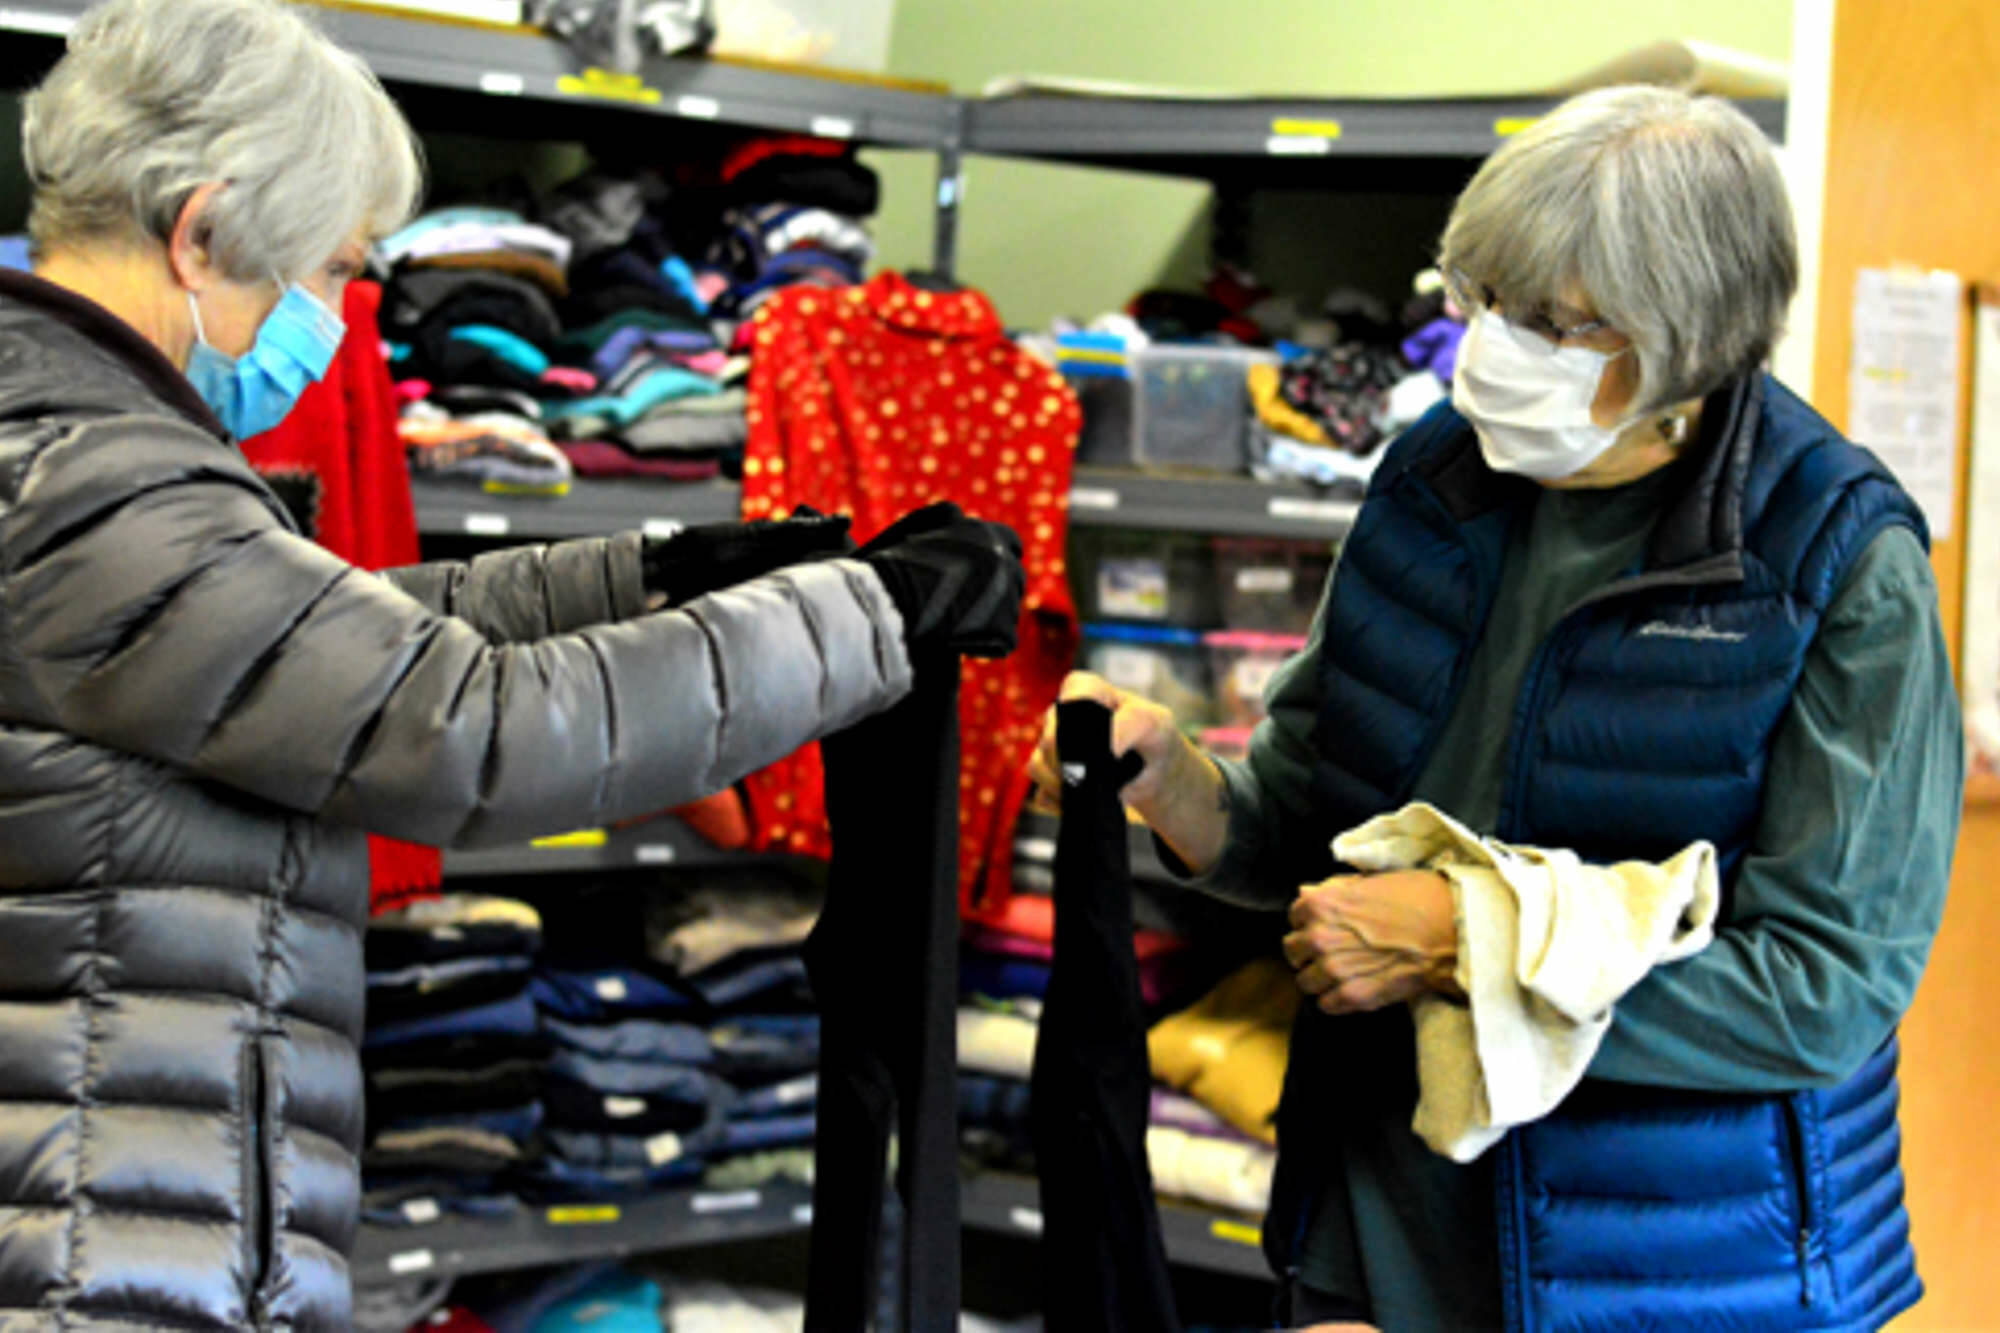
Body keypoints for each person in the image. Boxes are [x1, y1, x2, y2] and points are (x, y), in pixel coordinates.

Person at [0, 1, 1024, 1328]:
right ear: (203, 232)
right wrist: (872, 616)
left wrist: (658, 573)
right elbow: (471, 730)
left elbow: (340, 632)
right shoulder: (106, 481)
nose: (338, 320)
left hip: (115, 1203)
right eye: (331, 274)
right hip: (110, 1254)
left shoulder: (74, 443)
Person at [1032, 85, 1960, 1332]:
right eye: (1476, 300)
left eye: (1548, 321)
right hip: (1378, 1225)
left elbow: (1823, 990)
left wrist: (1468, 948)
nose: (1489, 348)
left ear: (1683, 335)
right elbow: (1314, 821)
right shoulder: (1435, 481)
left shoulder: (1833, 562)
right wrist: (1176, 787)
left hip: (1669, 1267)